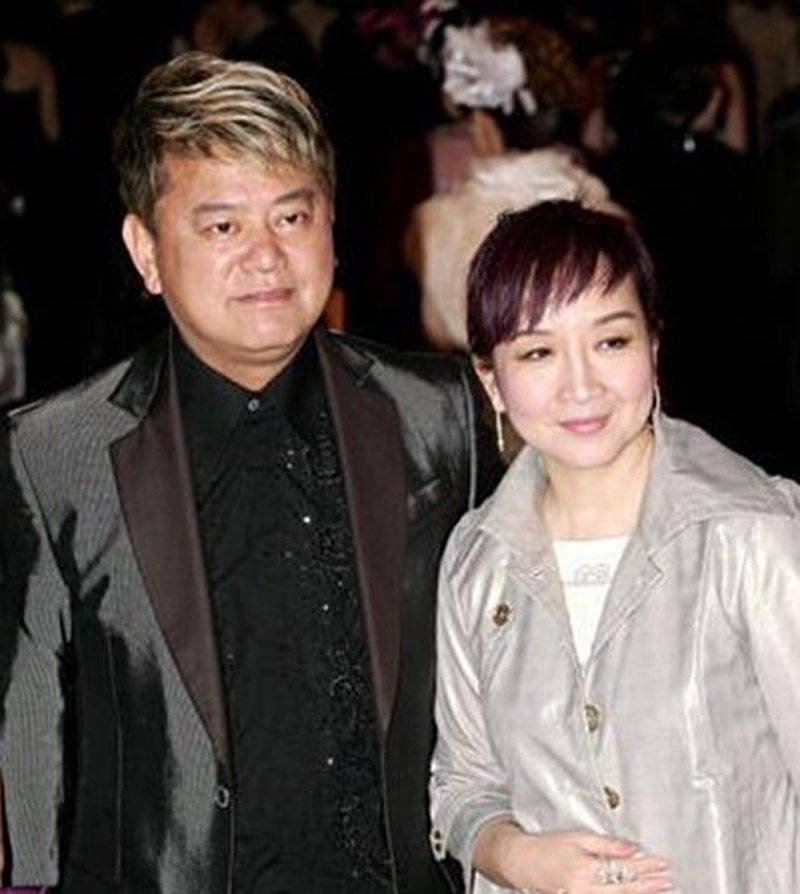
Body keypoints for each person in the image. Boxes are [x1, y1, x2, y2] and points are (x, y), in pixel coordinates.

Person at [0, 52, 497, 893]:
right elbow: (28, 728)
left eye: (292, 217)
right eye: (222, 227)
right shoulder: (54, 451)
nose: (267, 257)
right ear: (146, 251)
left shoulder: (437, 413)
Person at [430, 200, 800, 893]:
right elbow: (460, 781)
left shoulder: (752, 532)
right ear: (492, 382)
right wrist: (515, 856)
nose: (581, 386)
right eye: (538, 352)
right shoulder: (477, 560)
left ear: (652, 347)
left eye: (610, 342)